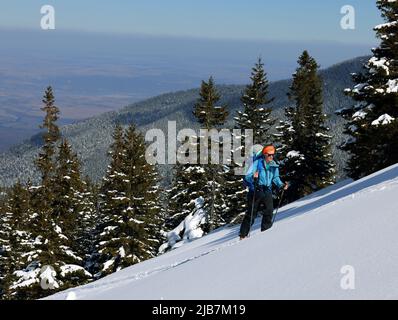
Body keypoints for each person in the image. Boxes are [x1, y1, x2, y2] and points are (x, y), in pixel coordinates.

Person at [239, 145, 288, 239]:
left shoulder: (274, 165)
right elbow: (247, 176)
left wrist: (281, 185)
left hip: (267, 189)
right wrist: (253, 177)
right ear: (264, 154)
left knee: (269, 211)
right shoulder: (257, 163)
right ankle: (243, 235)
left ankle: (266, 233)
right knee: (252, 213)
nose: (271, 157)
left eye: (272, 155)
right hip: (255, 189)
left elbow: (275, 178)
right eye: (269, 155)